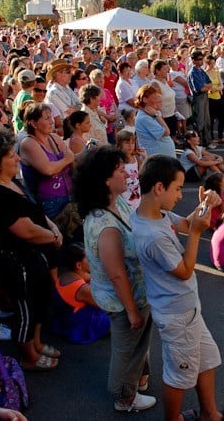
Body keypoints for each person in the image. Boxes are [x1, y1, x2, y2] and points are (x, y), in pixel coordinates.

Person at [130, 155, 223, 421]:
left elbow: (184, 223)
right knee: (179, 375)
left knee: (206, 358)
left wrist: (203, 206)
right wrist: (196, 233)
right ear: (159, 188)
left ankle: (209, 413)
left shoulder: (155, 213)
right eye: (179, 188)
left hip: (187, 310)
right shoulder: (153, 235)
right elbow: (184, 271)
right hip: (177, 316)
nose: (181, 195)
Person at [74, 146, 156, 413]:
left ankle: (137, 381)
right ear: (105, 180)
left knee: (137, 345)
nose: (127, 173)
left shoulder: (114, 203)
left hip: (133, 295)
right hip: (124, 301)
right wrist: (132, 311)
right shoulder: (105, 224)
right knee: (126, 350)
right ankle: (124, 397)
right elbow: (117, 274)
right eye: (121, 170)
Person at [0, 128, 62, 370]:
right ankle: (28, 357)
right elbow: (26, 230)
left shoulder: (12, 183)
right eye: (10, 155)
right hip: (17, 265)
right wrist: (53, 236)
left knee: (38, 304)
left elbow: (35, 213)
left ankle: (36, 343)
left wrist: (51, 227)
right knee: (26, 311)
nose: (17, 158)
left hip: (33, 259)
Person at [19, 103, 76, 220]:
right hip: (49, 203)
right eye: (46, 118)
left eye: (51, 117)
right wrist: (66, 160)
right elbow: (48, 169)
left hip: (68, 195)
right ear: (34, 123)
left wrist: (66, 160)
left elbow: (71, 157)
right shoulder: (28, 143)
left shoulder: (53, 138)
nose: (52, 121)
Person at [51, 242, 110, 344]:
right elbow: (106, 305)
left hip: (62, 319)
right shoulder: (82, 289)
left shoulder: (65, 275)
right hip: (75, 325)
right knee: (116, 317)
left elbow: (90, 277)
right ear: (79, 265)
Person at [134, 84, 176, 158]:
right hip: (157, 160)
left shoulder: (152, 113)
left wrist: (157, 114)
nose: (158, 99)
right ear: (145, 99)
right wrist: (157, 115)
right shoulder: (144, 118)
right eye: (155, 97)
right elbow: (166, 132)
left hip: (164, 158)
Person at [187, 50, 213, 148]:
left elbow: (210, 83)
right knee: (199, 121)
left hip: (205, 97)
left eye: (202, 59)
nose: (201, 61)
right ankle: (199, 143)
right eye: (198, 59)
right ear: (193, 60)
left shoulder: (201, 71)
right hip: (198, 98)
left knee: (207, 120)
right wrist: (207, 87)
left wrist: (207, 86)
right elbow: (200, 88)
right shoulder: (193, 73)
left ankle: (207, 141)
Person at [115, 130, 143, 210]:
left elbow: (143, 171)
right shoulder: (119, 161)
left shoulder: (135, 158)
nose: (130, 146)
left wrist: (144, 156)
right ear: (120, 144)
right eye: (127, 143)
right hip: (125, 196)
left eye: (132, 143)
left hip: (137, 194)